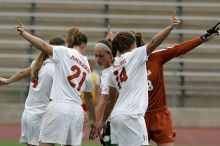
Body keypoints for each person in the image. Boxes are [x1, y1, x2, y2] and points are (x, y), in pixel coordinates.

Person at [98, 13, 181, 146]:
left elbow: (111, 99)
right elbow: (153, 43)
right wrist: (170, 27)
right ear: (133, 44)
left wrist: (102, 121)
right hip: (132, 116)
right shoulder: (135, 55)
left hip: (116, 117)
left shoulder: (114, 66)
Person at [134, 23, 220, 146]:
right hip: (138, 115)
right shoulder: (125, 64)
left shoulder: (156, 57)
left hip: (160, 115)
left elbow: (180, 48)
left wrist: (203, 38)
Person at [15, 20, 98, 146]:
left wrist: (24, 33)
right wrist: (94, 120)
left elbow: (43, 45)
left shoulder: (65, 52)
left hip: (58, 106)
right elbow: (88, 97)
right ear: (83, 45)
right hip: (76, 111)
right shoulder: (86, 65)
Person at [0, 35, 66, 146]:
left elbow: (23, 72)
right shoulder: (56, 68)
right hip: (42, 116)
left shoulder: (38, 63)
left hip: (28, 114)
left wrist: (7, 81)